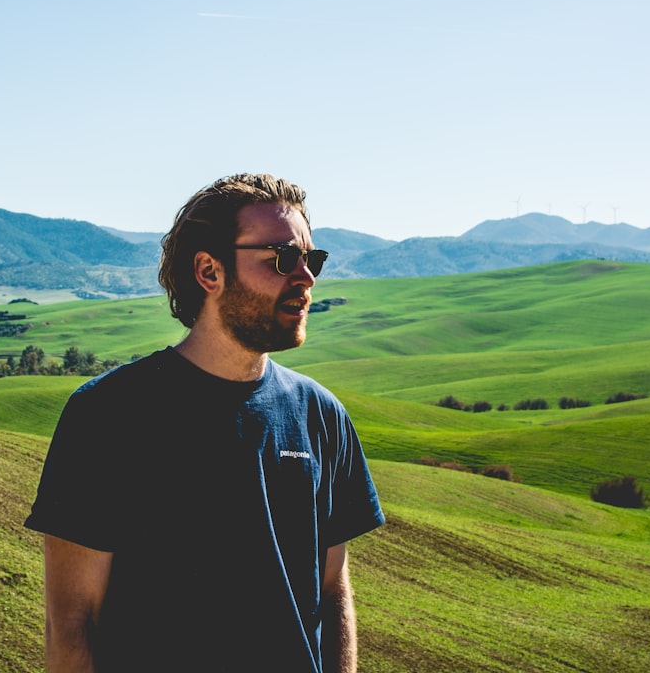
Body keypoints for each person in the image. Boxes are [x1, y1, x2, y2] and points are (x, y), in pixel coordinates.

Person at [24, 173, 385, 673]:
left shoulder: (321, 416)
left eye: (312, 259)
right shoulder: (107, 416)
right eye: (283, 258)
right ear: (209, 271)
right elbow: (71, 623)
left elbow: (332, 592)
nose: (306, 277)